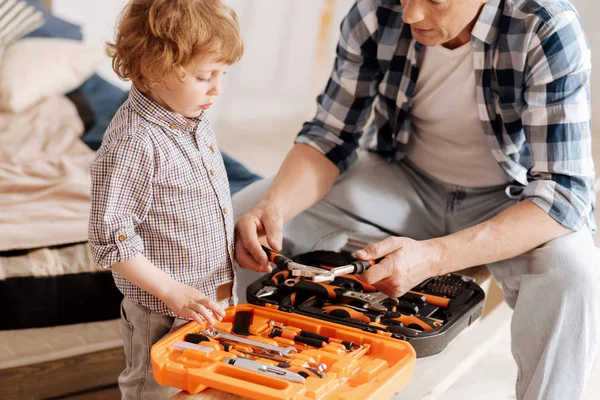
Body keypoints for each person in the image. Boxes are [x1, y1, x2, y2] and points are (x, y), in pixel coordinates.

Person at [233, 0, 599, 398]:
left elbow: (564, 192)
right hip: (402, 179)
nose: (410, 15)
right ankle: (254, 370)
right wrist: (276, 206)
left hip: (509, 198)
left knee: (574, 274)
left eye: (433, 1)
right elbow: (330, 137)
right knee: (242, 214)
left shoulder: (546, 25)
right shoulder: (374, 12)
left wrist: (433, 256)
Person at [88, 0, 243, 398]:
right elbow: (110, 240)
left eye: (221, 73)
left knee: (202, 384)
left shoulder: (192, 116)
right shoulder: (134, 141)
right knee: (152, 391)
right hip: (163, 309)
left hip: (210, 297)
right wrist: (174, 292)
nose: (217, 88)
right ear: (151, 69)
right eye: (204, 75)